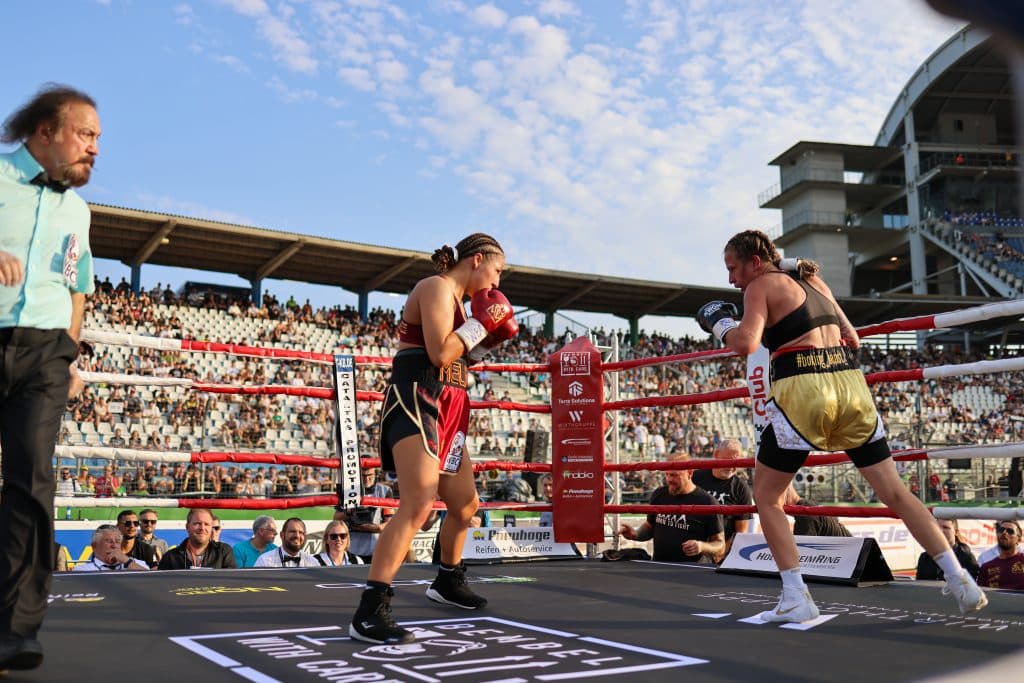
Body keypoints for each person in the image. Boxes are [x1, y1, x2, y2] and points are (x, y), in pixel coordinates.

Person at [699, 229, 987, 623]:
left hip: (803, 391)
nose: (731, 279)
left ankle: (796, 596)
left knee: (767, 498)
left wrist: (720, 324)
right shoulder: (814, 281)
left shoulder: (760, 285)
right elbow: (852, 338)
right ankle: (960, 579)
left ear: (753, 262)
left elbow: (746, 344)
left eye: (733, 268)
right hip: (852, 388)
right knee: (896, 493)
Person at [349, 233, 515, 645]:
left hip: (452, 406)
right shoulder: (436, 287)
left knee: (465, 504)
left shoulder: (462, 304)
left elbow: (461, 356)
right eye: (496, 272)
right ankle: (370, 610)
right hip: (418, 399)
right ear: (478, 260)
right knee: (419, 502)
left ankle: (446, 579)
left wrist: (488, 337)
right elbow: (441, 353)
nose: (496, 285)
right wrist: (482, 324)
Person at [0, 84, 100, 672]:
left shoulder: (77, 210)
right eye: (84, 134)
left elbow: (75, 284)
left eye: (97, 138)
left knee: (31, 485)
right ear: (44, 132)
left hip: (44, 353)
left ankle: (16, 631)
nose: (94, 147)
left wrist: (70, 354)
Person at [618, 453, 725, 563]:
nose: (669, 479)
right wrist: (635, 534)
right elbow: (650, 526)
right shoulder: (659, 494)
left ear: (689, 473)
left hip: (692, 571)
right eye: (667, 474)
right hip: (660, 566)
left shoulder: (707, 502)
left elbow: (720, 546)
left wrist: (702, 547)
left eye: (674, 475)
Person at [691, 439, 752, 562]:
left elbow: (741, 531)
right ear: (716, 455)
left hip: (720, 553)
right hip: (691, 546)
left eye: (737, 462)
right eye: (728, 460)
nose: (732, 467)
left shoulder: (741, 487)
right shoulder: (696, 477)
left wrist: (721, 553)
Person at [337, 469, 393, 563]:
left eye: (370, 475)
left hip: (375, 548)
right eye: (363, 475)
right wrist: (350, 511)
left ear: (376, 474)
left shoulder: (385, 490)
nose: (367, 479)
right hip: (351, 547)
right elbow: (336, 517)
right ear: (357, 475)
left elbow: (389, 523)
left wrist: (377, 528)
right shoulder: (347, 490)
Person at [157, 508, 236, 570]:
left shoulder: (223, 551)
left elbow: (231, 584)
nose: (202, 528)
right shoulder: (171, 557)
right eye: (197, 523)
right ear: (187, 527)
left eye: (206, 524)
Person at [72, 525, 149, 572]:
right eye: (109, 541)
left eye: (117, 541)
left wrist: (126, 561)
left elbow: (151, 581)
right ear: (94, 546)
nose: (114, 545)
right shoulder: (82, 570)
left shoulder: (137, 564)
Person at [784, 484, 852, 537]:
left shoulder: (805, 514)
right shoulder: (809, 506)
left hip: (851, 552)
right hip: (852, 550)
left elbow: (803, 551)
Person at [254, 518, 319, 568]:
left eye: (301, 532)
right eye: (292, 531)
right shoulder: (264, 561)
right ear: (282, 535)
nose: (297, 536)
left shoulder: (313, 563)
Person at [977, 521, 1024, 590]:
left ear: (1018, 539)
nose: (1004, 533)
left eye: (1010, 531)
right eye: (1001, 530)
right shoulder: (986, 567)